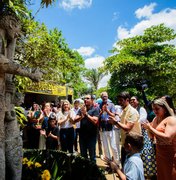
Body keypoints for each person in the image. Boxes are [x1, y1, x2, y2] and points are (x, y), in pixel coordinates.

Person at [142, 98, 176, 180]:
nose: (155, 111)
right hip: (160, 154)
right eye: (153, 109)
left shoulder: (171, 120)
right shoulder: (155, 119)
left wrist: (150, 128)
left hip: (171, 155)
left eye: (157, 109)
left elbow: (168, 138)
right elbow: (151, 136)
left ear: (164, 108)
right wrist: (147, 128)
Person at [109, 92, 141, 166]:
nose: (119, 102)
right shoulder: (124, 111)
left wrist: (116, 122)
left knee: (130, 167)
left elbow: (128, 128)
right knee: (124, 165)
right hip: (125, 143)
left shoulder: (132, 111)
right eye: (118, 100)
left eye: (121, 100)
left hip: (132, 146)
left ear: (127, 100)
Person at [130, 96, 157, 179]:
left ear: (138, 101)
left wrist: (131, 122)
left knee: (146, 152)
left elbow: (142, 120)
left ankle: (149, 173)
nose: (132, 101)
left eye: (134, 100)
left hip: (144, 134)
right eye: (131, 100)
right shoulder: (130, 110)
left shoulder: (141, 109)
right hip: (135, 134)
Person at [74, 94, 99, 162]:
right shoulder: (81, 109)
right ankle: (85, 170)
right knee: (83, 155)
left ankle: (93, 171)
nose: (85, 100)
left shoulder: (95, 109)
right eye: (85, 98)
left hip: (91, 136)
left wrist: (86, 114)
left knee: (92, 155)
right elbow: (75, 120)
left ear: (92, 100)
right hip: (82, 136)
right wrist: (81, 116)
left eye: (87, 98)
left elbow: (95, 121)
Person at [99, 92, 119, 164]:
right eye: (103, 96)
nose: (105, 97)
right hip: (103, 127)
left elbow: (113, 115)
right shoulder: (99, 105)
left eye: (106, 96)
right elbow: (98, 115)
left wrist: (107, 110)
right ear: (101, 97)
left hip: (110, 127)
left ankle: (116, 162)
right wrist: (101, 111)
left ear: (107, 97)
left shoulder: (111, 105)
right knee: (105, 146)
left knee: (113, 146)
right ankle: (109, 162)